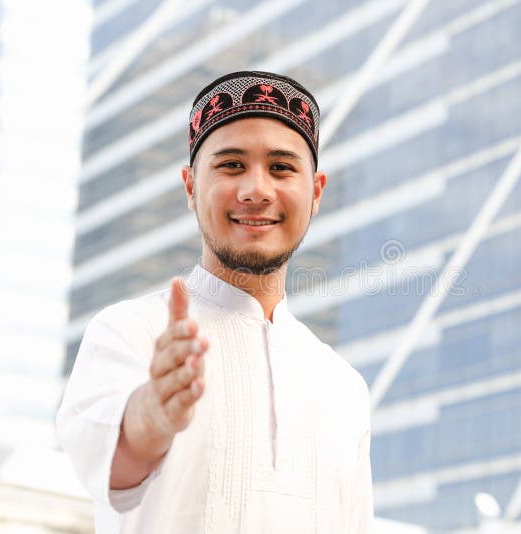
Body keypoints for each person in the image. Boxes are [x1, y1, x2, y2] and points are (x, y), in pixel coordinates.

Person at [56, 71, 373, 533]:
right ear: (189, 186)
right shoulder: (132, 331)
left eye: (282, 167)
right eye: (231, 166)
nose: (256, 190)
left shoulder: (344, 387)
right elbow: (112, 463)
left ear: (316, 192)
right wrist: (153, 414)